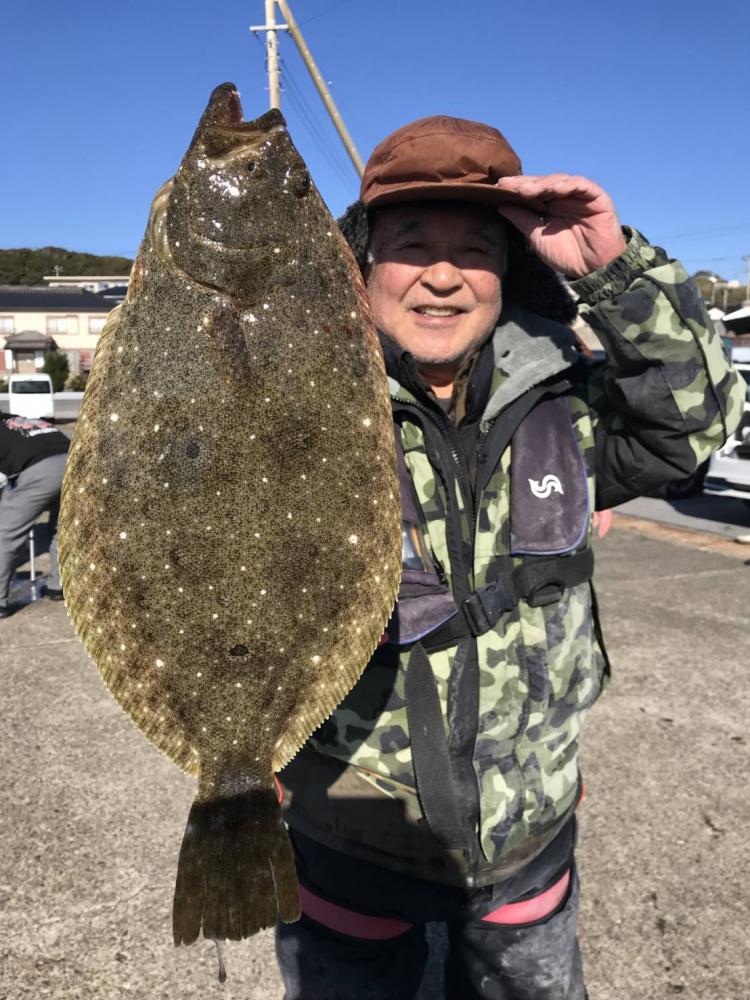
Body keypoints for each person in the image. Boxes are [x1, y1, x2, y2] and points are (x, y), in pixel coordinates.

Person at [275, 116, 744, 1000]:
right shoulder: (291, 412)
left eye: (475, 250)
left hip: (530, 840)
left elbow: (700, 423)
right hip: (345, 835)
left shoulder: (569, 403)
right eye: (412, 245)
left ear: (510, 270)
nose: (443, 275)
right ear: (360, 264)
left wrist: (612, 271)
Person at [0, 413, 70, 617]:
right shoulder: (29, 421)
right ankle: (59, 586)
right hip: (75, 466)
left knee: (5, 534)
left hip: (41, 471)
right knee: (62, 530)